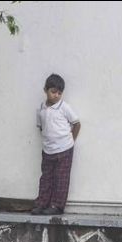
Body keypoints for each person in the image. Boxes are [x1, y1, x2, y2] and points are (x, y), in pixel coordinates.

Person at [31, 73, 81, 215]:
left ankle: (56, 206)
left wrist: (71, 140)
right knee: (46, 177)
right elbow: (41, 127)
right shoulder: (41, 109)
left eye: (59, 93)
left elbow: (76, 124)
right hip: (48, 150)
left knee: (61, 178)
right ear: (45, 90)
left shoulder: (64, 107)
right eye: (53, 92)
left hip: (65, 149)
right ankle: (42, 203)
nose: (56, 95)